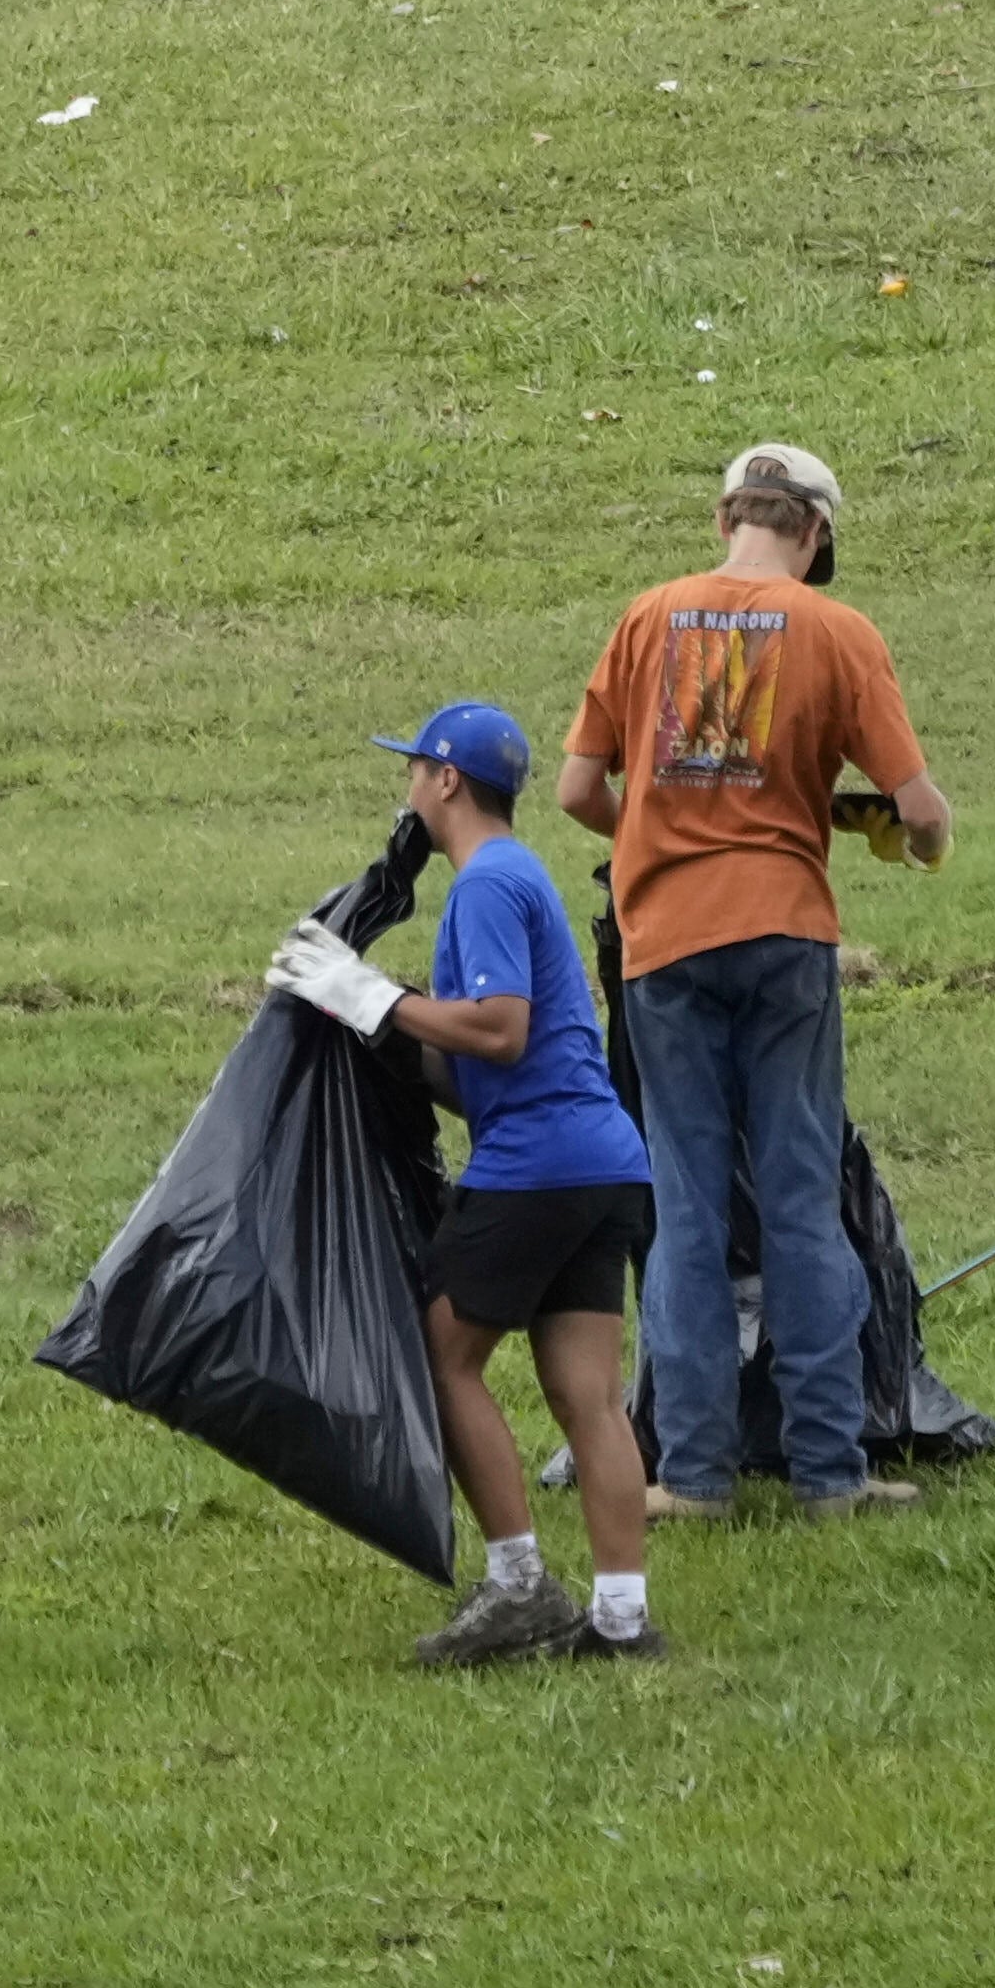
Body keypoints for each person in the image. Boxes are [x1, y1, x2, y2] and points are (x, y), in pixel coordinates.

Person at [557, 440, 952, 1521]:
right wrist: (911, 844)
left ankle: (692, 1477)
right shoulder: (837, 631)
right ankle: (830, 1472)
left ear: (727, 516)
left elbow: (578, 788)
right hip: (785, 935)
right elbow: (919, 811)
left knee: (684, 1208)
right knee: (799, 1199)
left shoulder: (648, 619)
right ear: (812, 532)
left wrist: (656, 830)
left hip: (664, 946)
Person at [273, 702, 667, 1668]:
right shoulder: (513, 878)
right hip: (603, 1163)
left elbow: (500, 1029)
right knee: (590, 1398)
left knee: (440, 1358)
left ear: (447, 780)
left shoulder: (486, 883)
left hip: (535, 1167)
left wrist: (376, 995)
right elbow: (485, 1064)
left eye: (414, 768)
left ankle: (519, 1585)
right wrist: (386, 1032)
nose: (407, 786)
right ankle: (622, 1623)